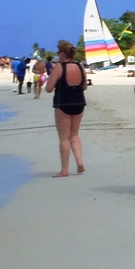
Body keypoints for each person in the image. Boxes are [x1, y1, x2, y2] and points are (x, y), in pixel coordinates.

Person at [45, 41, 87, 177]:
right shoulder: (80, 66)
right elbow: (84, 86)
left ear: (62, 54)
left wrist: (52, 78)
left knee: (64, 137)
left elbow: (48, 89)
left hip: (63, 103)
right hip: (79, 102)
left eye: (58, 53)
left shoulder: (59, 68)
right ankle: (79, 161)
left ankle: (65, 169)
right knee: (74, 134)